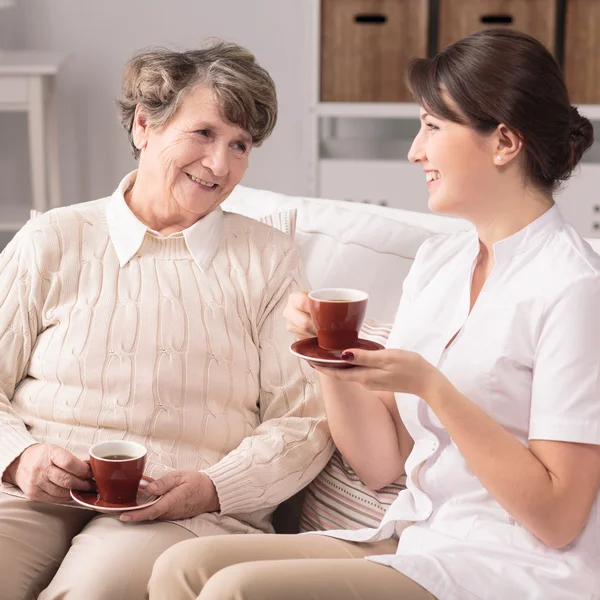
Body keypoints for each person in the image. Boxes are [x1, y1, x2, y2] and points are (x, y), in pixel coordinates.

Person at [148, 28, 600, 600]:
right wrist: (329, 358)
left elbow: (559, 516)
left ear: (504, 142)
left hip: (511, 567)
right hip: (418, 535)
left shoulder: (575, 290)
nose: (415, 150)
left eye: (433, 126)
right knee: (181, 567)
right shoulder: (441, 263)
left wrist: (435, 390)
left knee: (233, 591)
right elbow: (382, 463)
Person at [0, 40, 332, 600]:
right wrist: (19, 458)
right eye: (203, 133)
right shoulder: (51, 239)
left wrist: (213, 488)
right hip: (35, 494)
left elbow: (304, 420)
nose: (221, 165)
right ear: (144, 125)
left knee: (94, 589)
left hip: (182, 512)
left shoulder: (269, 259)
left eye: (240, 145)